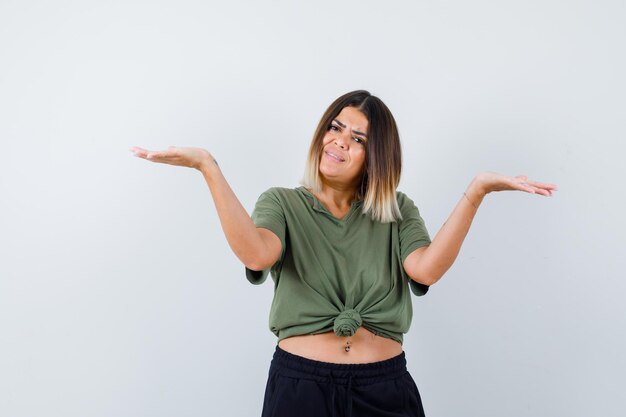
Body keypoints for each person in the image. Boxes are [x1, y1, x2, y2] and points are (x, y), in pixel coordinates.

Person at [130, 90, 557, 417]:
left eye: (357, 138)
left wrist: (477, 190)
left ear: (377, 157)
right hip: (301, 387)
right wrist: (209, 168)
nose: (338, 142)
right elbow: (258, 255)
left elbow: (425, 269)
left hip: (384, 387)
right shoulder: (282, 203)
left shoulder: (397, 211)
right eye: (334, 128)